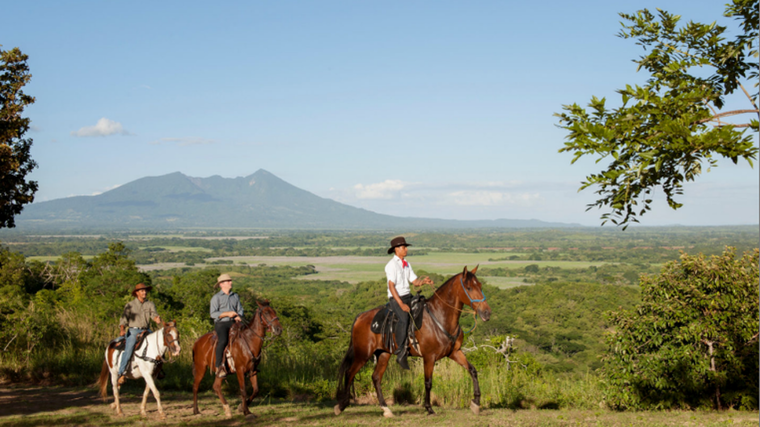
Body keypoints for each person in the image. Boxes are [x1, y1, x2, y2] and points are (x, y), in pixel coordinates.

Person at [385, 236, 433, 370]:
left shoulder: (406, 263)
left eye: (405, 247)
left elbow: (414, 281)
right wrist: (401, 304)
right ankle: (400, 352)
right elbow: (391, 286)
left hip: (407, 296)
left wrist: (424, 282)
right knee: (404, 319)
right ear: (396, 249)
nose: (406, 249)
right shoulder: (391, 265)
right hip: (396, 298)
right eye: (403, 247)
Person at [118, 283, 162, 385]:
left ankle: (158, 370)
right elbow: (124, 319)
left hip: (146, 330)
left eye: (145, 290)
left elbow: (153, 315)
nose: (145, 292)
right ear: (137, 293)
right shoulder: (130, 305)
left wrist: (156, 319)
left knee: (159, 344)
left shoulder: (150, 304)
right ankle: (122, 372)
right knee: (129, 348)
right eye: (142, 291)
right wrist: (122, 329)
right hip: (134, 330)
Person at [210, 273, 244, 378]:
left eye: (230, 281)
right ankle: (218, 366)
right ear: (221, 284)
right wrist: (227, 313)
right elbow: (213, 314)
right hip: (221, 323)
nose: (230, 283)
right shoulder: (216, 298)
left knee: (247, 337)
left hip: (234, 322)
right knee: (223, 340)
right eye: (228, 281)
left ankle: (247, 363)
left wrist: (239, 316)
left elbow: (240, 309)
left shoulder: (235, 296)